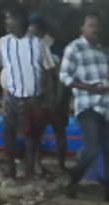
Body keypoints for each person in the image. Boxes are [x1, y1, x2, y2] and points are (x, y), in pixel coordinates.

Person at [0, 6, 55, 180]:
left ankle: (29, 171)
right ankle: (11, 170)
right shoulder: (3, 43)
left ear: (20, 21)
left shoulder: (38, 44)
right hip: (11, 96)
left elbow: (49, 73)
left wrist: (50, 98)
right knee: (8, 134)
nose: (6, 22)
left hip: (33, 99)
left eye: (9, 18)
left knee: (31, 137)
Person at [59, 13, 109, 201]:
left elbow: (107, 78)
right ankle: (73, 179)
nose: (95, 29)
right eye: (91, 25)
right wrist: (89, 88)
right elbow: (65, 77)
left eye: (97, 26)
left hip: (105, 106)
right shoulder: (74, 48)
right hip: (87, 105)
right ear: (82, 28)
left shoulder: (101, 51)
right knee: (93, 149)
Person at [29, 13, 69, 175]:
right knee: (37, 133)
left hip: (57, 98)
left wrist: (58, 99)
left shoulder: (56, 48)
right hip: (39, 98)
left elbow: (62, 76)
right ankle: (38, 165)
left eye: (30, 28)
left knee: (59, 132)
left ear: (38, 28)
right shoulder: (31, 46)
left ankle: (61, 165)